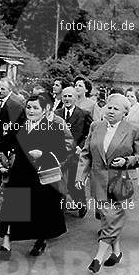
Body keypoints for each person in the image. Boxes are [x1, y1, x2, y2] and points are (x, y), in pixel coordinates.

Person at [76, 93, 139, 274]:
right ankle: (116, 252)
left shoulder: (134, 129)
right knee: (107, 218)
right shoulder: (96, 126)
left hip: (122, 183)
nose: (110, 111)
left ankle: (98, 258)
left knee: (112, 217)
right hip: (99, 181)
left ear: (125, 113)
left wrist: (127, 161)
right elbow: (86, 154)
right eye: (109, 107)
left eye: (116, 108)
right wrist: (80, 176)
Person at [0, 93, 68, 260]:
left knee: (41, 212)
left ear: (44, 110)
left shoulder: (52, 128)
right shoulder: (20, 126)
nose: (31, 111)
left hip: (42, 177)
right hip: (20, 173)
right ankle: (6, 246)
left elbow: (62, 152)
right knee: (12, 210)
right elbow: (4, 142)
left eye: (36, 108)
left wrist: (44, 154)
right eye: (29, 107)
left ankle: (40, 240)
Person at [55, 87, 92, 217]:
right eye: (64, 96)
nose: (67, 99)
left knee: (74, 181)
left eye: (70, 96)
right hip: (60, 153)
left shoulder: (84, 114)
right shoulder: (56, 113)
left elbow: (89, 134)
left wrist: (81, 147)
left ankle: (81, 204)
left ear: (75, 98)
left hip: (76, 153)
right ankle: (61, 206)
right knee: (59, 181)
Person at [0, 78, 25, 182]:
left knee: (6, 172)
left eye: (3, 89)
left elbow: (19, 127)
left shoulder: (16, 105)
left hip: (8, 143)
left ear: (9, 90)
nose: (0, 91)